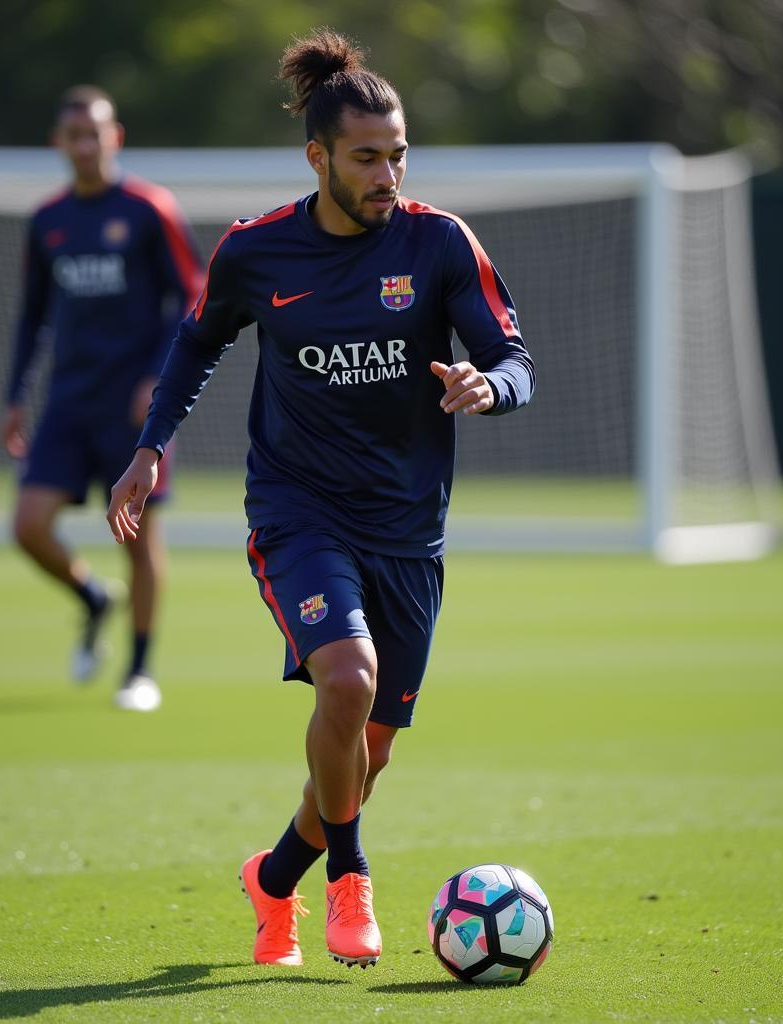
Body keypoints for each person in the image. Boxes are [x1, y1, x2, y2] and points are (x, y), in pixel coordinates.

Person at [108, 29, 534, 965]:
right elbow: (197, 341)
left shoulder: (439, 243)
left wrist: (485, 385)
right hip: (298, 511)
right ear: (319, 158)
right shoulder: (258, 251)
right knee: (347, 679)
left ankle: (273, 879)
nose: (387, 174)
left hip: (409, 530)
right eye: (366, 157)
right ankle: (350, 880)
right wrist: (150, 448)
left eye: (398, 155)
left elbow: (514, 359)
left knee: (363, 752)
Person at [2, 85, 204, 712]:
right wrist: (15, 395)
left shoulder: (149, 209)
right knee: (28, 526)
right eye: (74, 135)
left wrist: (158, 379)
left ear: (116, 137)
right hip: (68, 402)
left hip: (132, 407)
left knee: (137, 537)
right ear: (57, 144)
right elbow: (33, 314)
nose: (86, 145)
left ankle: (140, 672)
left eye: (97, 133)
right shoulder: (48, 221)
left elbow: (194, 297)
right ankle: (93, 597)